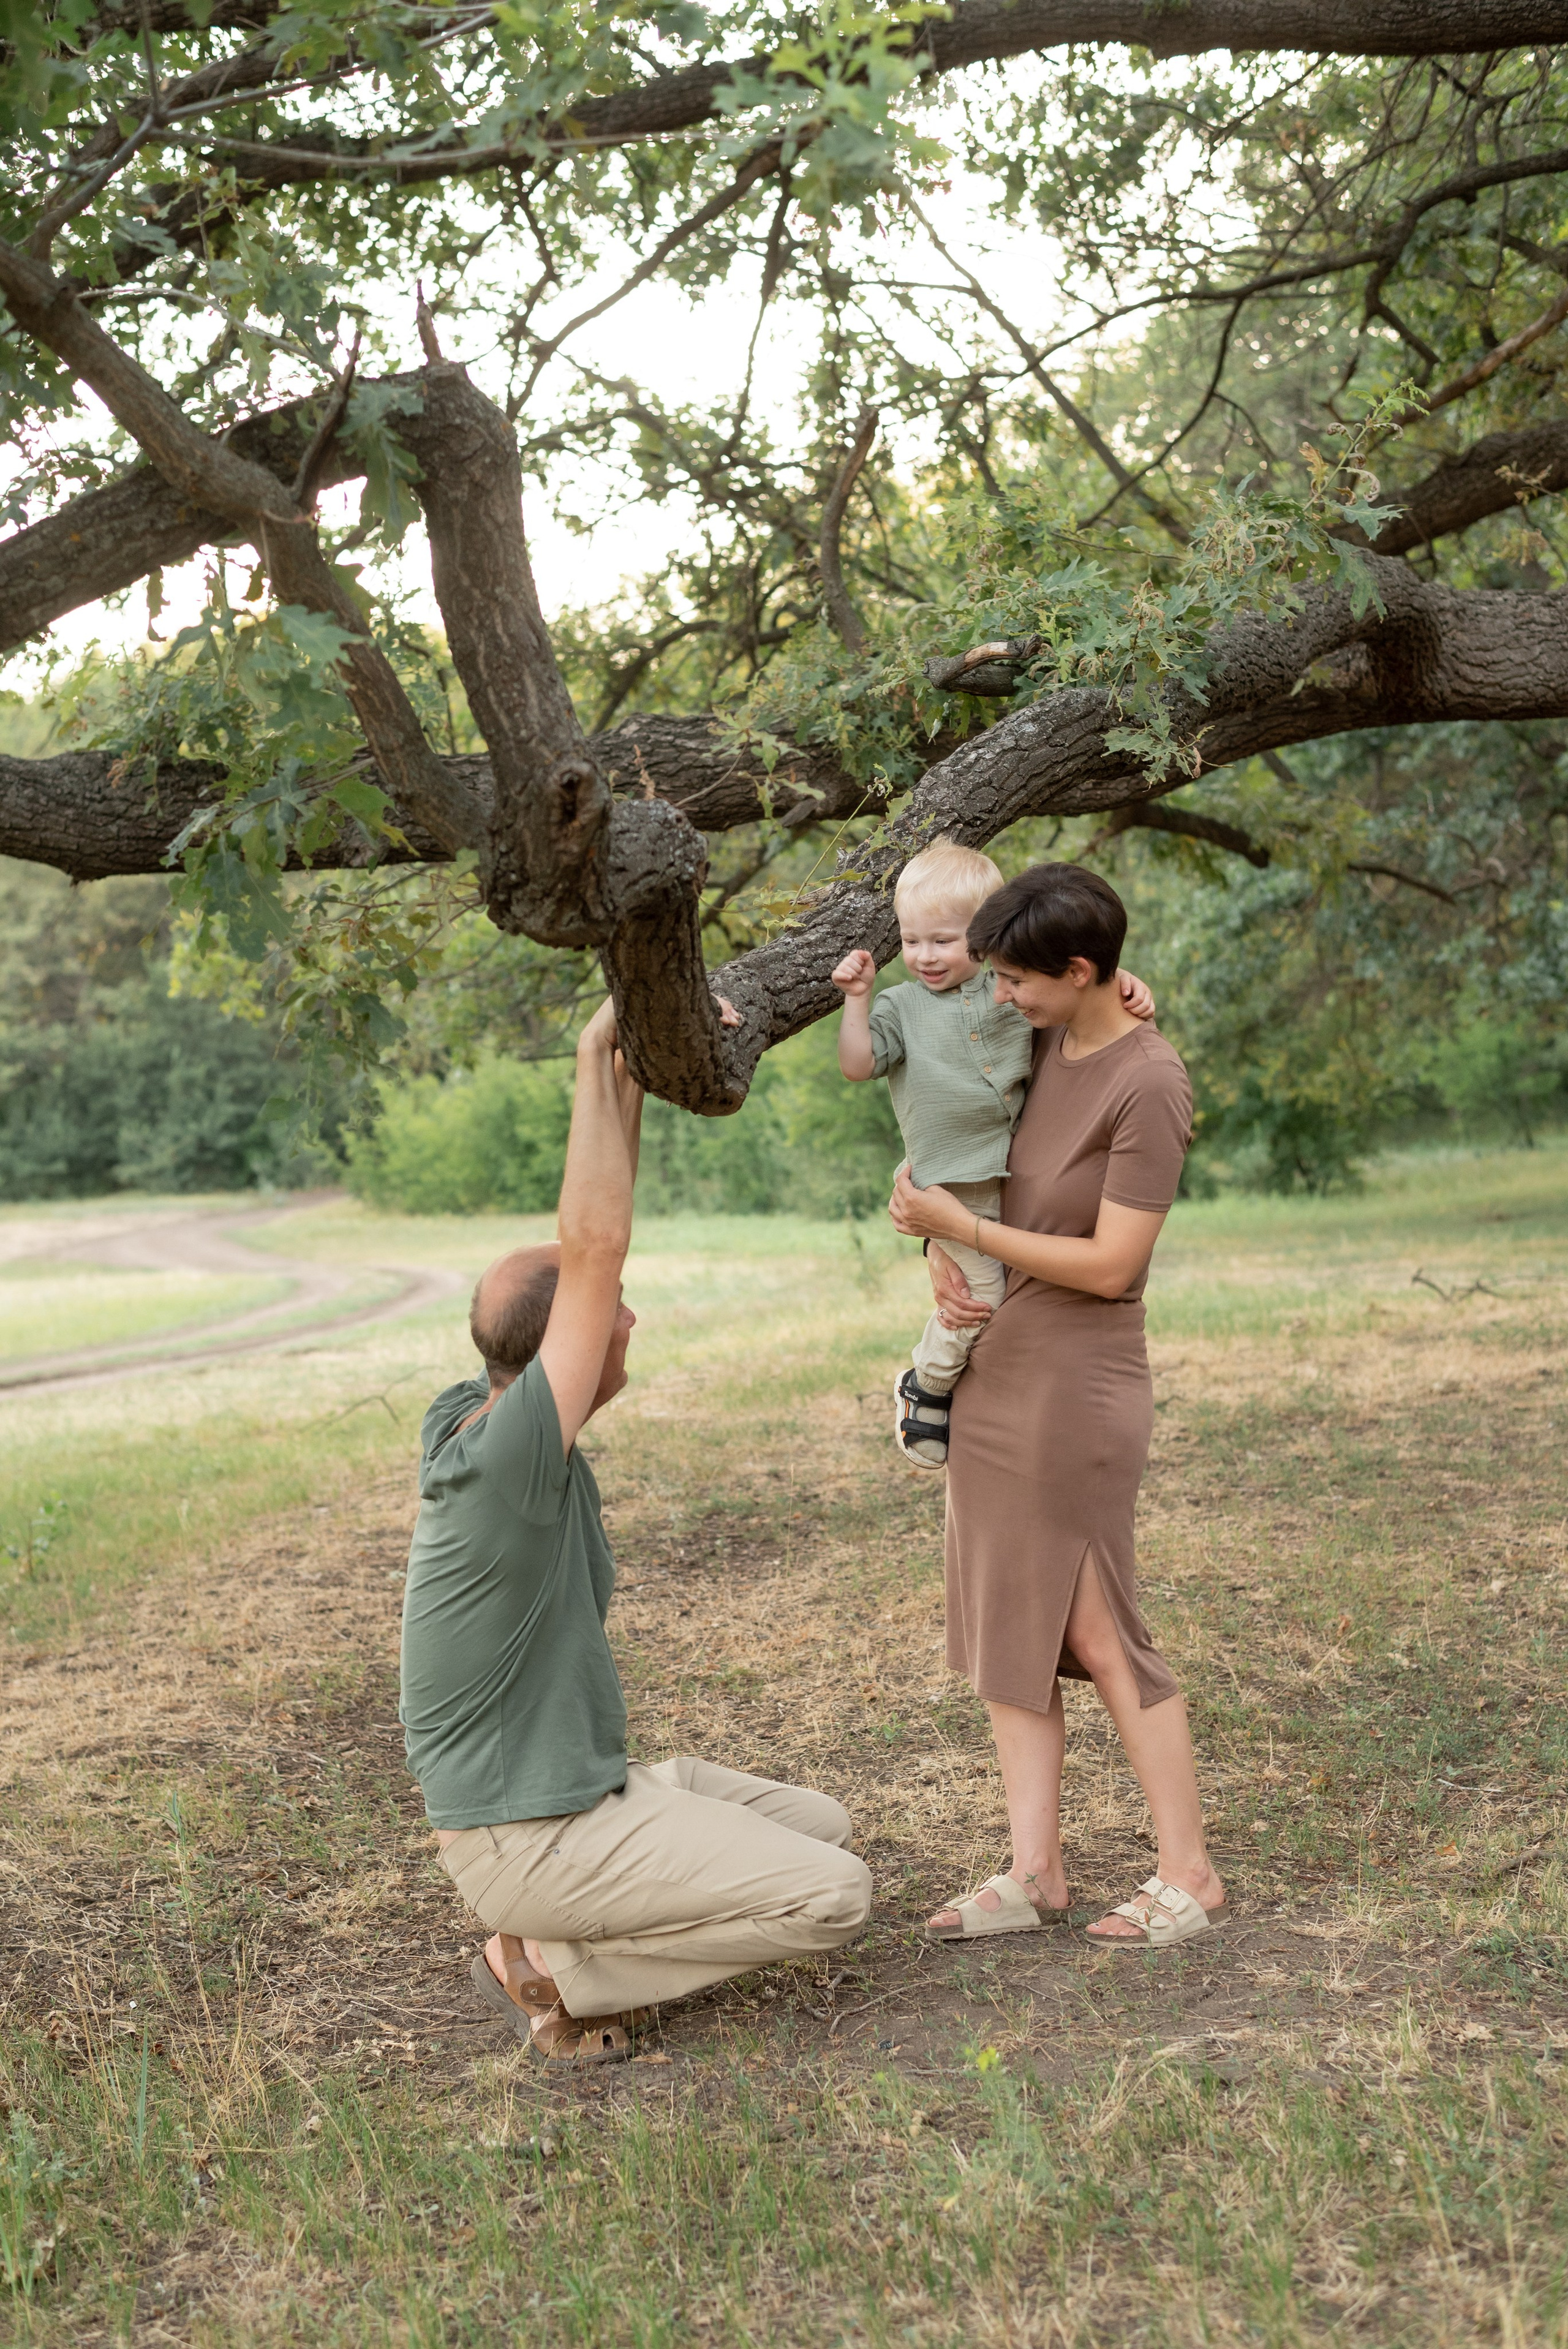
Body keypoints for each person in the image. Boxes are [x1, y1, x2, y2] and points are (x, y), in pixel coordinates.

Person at [399, 997, 872, 2063]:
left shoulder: (476, 1411)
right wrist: (584, 1054)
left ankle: (563, 1928)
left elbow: (600, 1248)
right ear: (564, 1341)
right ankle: (549, 1966)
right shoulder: (506, 1462)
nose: (628, 1316)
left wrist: (635, 1065)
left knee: (822, 1830)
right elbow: (597, 1245)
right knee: (837, 1896)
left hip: (585, 1791)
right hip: (529, 1835)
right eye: (608, 1310)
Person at [888, 862, 1226, 1951]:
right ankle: (1036, 1871)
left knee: (1097, 1626)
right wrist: (938, 1243)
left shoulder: (1151, 1081)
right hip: (998, 1364)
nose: (996, 996)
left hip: (1078, 1379)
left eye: (1017, 979)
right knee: (1008, 1621)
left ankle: (1192, 1873)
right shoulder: (1036, 1039)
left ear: (1080, 971)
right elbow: (961, 1143)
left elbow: (1113, 1260)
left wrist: (970, 1231)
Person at [831, 837, 1153, 1471]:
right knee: (984, 1297)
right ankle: (928, 1381)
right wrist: (857, 998)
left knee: (1005, 1291)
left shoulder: (1006, 995)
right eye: (912, 939)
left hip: (1007, 1175)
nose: (924, 955)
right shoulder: (901, 1006)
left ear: (983, 941)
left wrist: (1127, 985)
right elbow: (857, 1065)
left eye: (943, 941)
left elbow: (1077, 1004)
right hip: (951, 1182)